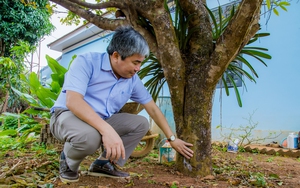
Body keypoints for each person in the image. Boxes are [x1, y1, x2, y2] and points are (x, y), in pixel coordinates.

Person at [50, 25, 194, 183]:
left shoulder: (132, 80)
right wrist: (107, 130)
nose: (138, 69)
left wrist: (172, 139)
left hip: (102, 119)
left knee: (141, 123)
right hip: (67, 116)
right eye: (135, 62)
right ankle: (69, 162)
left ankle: (103, 164)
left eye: (141, 64)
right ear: (116, 56)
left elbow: (152, 108)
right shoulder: (87, 62)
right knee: (89, 137)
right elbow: (73, 101)